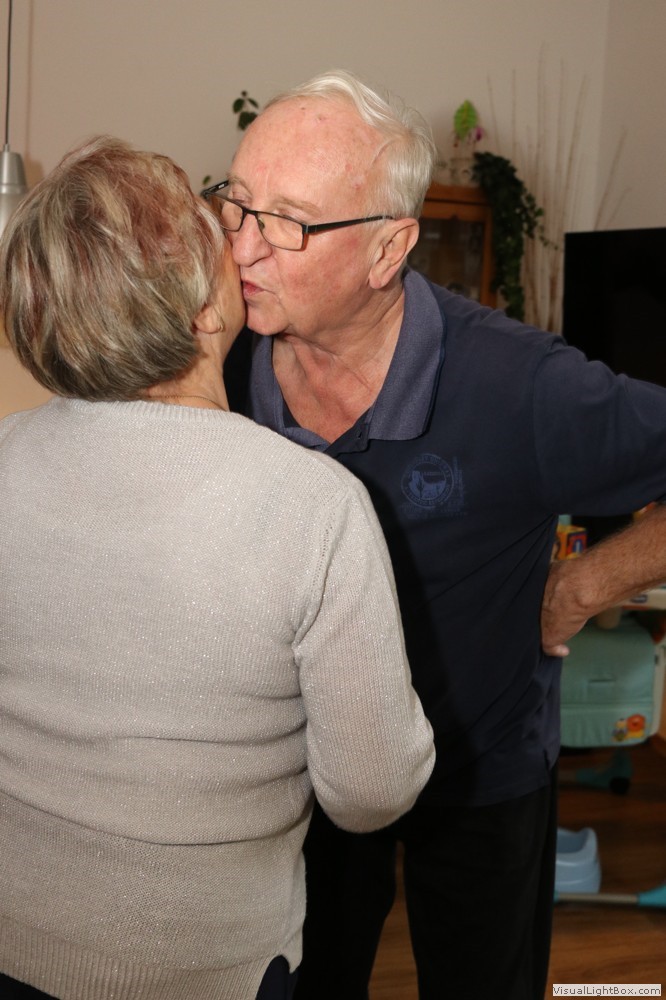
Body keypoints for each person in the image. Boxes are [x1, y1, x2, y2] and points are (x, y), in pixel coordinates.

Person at [212, 69, 666, 1000]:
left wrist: (584, 586)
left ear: (389, 248)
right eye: (237, 202)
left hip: (480, 767)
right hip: (301, 768)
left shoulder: (521, 385)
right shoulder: (214, 359)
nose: (242, 247)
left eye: (287, 222)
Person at [0, 135, 436, 1000]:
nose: (244, 242)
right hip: (205, 967)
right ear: (204, 312)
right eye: (219, 227)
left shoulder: (5, 457)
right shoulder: (313, 507)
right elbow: (372, 790)